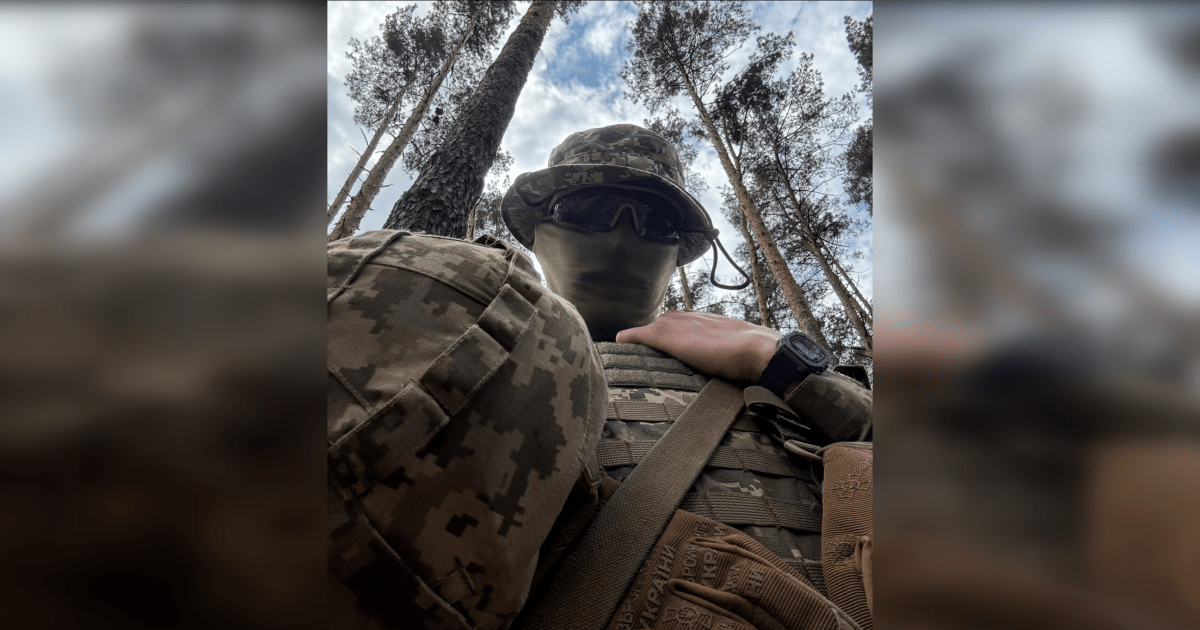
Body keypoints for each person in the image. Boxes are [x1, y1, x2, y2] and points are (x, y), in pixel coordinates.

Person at [499, 124, 874, 630]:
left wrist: (785, 364)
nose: (622, 234)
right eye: (588, 208)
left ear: (677, 251)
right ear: (538, 232)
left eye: (654, 220)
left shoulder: (761, 369)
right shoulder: (486, 346)